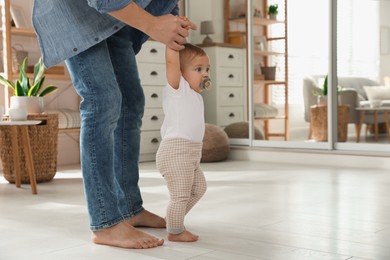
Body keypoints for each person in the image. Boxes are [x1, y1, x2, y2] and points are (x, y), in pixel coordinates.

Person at [32, 0, 196, 249]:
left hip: (114, 16)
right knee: (103, 100)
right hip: (74, 12)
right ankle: (105, 222)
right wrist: (152, 24)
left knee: (130, 101)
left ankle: (129, 207)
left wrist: (173, 22)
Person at [156, 42, 211, 242]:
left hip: (192, 154)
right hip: (175, 152)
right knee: (180, 195)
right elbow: (171, 62)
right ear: (180, 72)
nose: (205, 74)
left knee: (199, 188)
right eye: (198, 69)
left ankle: (172, 219)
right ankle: (175, 231)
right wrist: (173, 41)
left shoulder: (196, 96)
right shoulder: (179, 90)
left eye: (207, 69)